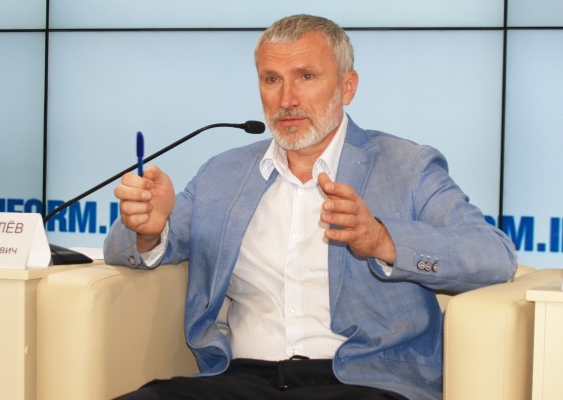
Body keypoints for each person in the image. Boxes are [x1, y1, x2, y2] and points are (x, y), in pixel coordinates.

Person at [104, 14, 517, 400]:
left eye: (306, 76)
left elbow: (494, 256)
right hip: (240, 380)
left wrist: (383, 241)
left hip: (364, 382)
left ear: (347, 86)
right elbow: (132, 248)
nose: (286, 99)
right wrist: (147, 230)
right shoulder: (223, 174)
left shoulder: (407, 166)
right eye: (271, 79)